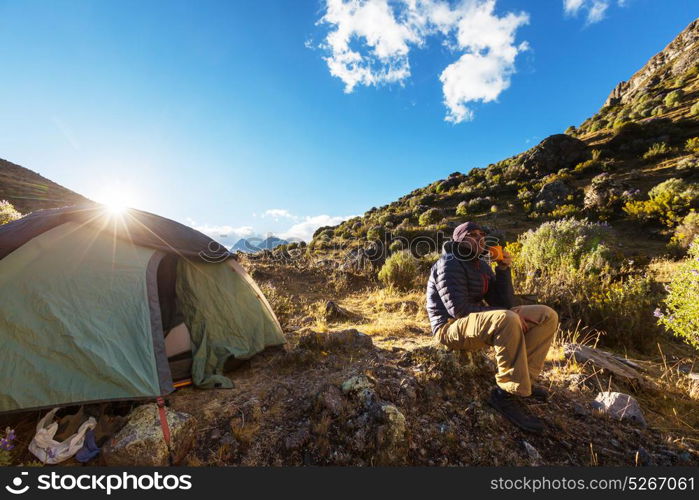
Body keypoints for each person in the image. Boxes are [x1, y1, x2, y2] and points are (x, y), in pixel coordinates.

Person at [425, 221, 559, 433]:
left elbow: (505, 303)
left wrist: (503, 269)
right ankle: (505, 395)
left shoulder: (482, 266)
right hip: (449, 328)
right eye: (473, 235)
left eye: (482, 235)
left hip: (475, 322)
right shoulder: (449, 263)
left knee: (546, 316)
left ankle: (525, 382)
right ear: (459, 239)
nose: (480, 238)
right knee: (507, 318)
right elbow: (458, 310)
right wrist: (506, 315)